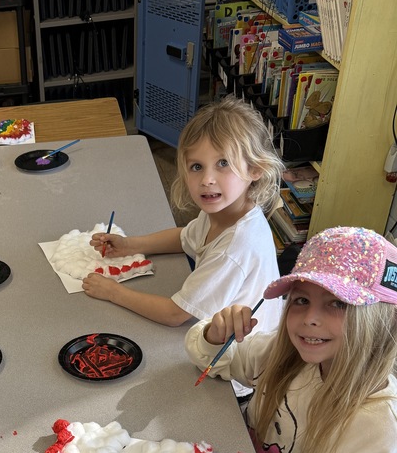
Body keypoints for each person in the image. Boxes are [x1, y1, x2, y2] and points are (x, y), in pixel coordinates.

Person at [185, 227, 397, 453]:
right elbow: (214, 362)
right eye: (300, 300)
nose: (309, 319)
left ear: (377, 318)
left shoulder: (381, 426)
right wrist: (214, 337)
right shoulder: (288, 354)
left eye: (337, 304)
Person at [84, 96, 284, 333]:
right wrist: (129, 245)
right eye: (197, 167)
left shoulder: (235, 247)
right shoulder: (225, 212)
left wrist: (113, 292)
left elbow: (175, 314)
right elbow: (183, 237)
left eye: (223, 163)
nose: (207, 180)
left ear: (255, 169)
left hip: (244, 354)